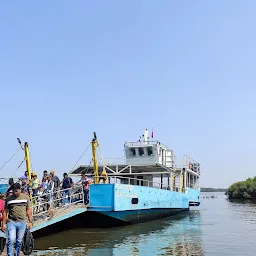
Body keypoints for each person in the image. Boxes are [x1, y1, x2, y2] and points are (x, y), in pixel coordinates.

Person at [1, 183, 32, 256]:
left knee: (19, 241)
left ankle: (16, 254)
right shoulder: (8, 199)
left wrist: (30, 221)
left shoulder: (26, 197)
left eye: (16, 191)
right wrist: (3, 224)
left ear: (20, 189)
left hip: (22, 222)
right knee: (11, 239)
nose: (15, 193)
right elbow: (5, 212)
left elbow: (28, 210)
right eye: (13, 191)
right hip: (11, 222)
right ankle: (9, 254)